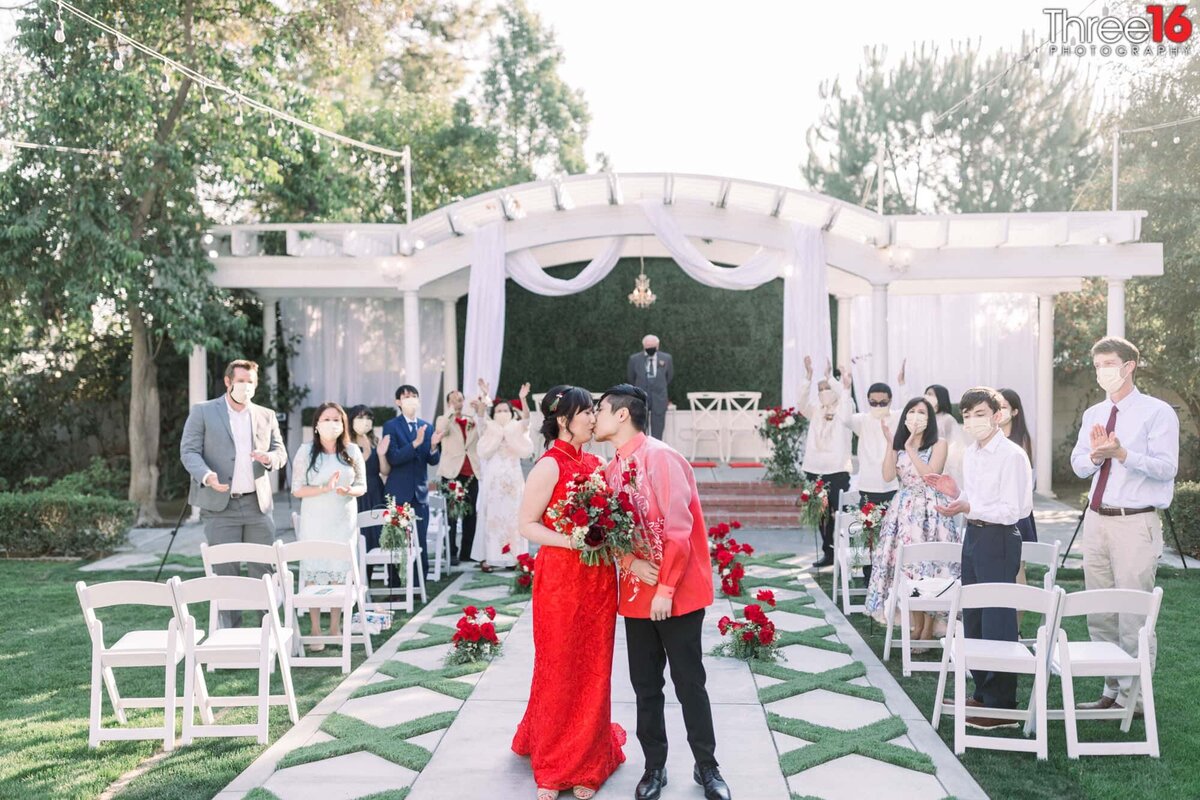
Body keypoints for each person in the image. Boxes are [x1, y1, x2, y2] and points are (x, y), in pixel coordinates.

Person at [595, 384, 730, 800]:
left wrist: (666, 589)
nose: (593, 417)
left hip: (678, 592)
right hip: (637, 596)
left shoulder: (661, 457)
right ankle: (654, 767)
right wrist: (628, 562)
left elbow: (679, 529)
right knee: (645, 686)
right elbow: (608, 531)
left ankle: (707, 767)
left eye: (599, 409)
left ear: (622, 415)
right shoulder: (611, 468)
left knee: (690, 682)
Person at [512, 386, 626, 800]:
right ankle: (556, 763)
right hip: (561, 578)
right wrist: (573, 540)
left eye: (596, 412)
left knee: (594, 666)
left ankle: (589, 759)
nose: (594, 419)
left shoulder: (598, 463)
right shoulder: (548, 465)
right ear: (564, 420)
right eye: (587, 413)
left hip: (598, 581)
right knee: (559, 665)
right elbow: (527, 525)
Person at [1070, 336, 1178, 713]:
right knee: (1099, 612)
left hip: (1135, 523)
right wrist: (1099, 456)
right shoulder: (1094, 414)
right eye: (1098, 365)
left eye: (1110, 364)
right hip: (1097, 521)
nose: (1103, 372)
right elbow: (1079, 463)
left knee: (1133, 613)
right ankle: (1111, 689)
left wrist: (1124, 454)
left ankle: (1137, 698)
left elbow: (1166, 468)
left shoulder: (1157, 412)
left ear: (1130, 365)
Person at [926, 387, 1032, 729]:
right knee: (973, 616)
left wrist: (971, 505)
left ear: (998, 415)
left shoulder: (1013, 455)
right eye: (967, 415)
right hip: (973, 535)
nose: (972, 421)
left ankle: (1002, 706)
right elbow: (975, 498)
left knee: (997, 620)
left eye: (979, 414)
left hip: (1000, 538)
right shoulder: (971, 453)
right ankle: (983, 693)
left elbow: (1014, 509)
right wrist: (956, 493)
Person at [180, 359, 288, 627]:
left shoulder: (266, 415)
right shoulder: (203, 411)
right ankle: (230, 636)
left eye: (250, 382)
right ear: (228, 382)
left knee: (263, 569)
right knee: (226, 572)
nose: (246, 386)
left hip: (257, 506)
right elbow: (189, 451)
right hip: (220, 507)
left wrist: (268, 459)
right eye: (241, 381)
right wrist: (206, 475)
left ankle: (269, 631)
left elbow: (280, 453)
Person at [863, 397, 958, 643]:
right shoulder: (899, 445)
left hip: (931, 511)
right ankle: (916, 625)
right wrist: (890, 445)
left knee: (931, 566)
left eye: (922, 412)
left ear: (930, 419)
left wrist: (912, 450)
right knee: (908, 569)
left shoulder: (939, 443)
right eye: (912, 411)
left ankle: (929, 628)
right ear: (905, 416)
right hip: (903, 512)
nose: (916, 416)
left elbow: (930, 475)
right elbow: (886, 476)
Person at [291, 403, 367, 647]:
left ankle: (335, 626)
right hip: (315, 520)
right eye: (327, 418)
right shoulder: (305, 452)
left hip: (343, 521)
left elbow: (362, 486)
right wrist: (324, 488)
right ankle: (315, 629)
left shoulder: (353, 451)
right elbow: (297, 489)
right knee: (314, 574)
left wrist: (349, 490)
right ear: (317, 423)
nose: (332, 423)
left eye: (337, 419)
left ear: (343, 424)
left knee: (338, 575)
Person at [382, 385, 443, 580]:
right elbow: (393, 458)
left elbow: (432, 460)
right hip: (398, 492)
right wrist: (415, 443)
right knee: (397, 539)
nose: (410, 399)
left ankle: (419, 582)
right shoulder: (391, 426)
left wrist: (433, 446)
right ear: (398, 402)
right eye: (406, 396)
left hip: (420, 493)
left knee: (420, 539)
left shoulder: (427, 426)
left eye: (414, 396)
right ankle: (395, 583)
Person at [471, 380, 533, 571]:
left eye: (506, 410)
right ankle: (491, 557)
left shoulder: (516, 428)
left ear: (511, 412)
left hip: (514, 480)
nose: (502, 413)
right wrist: (484, 396)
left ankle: (514, 557)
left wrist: (523, 399)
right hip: (493, 481)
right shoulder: (489, 428)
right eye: (498, 411)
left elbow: (526, 420)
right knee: (493, 516)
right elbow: (480, 418)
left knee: (514, 516)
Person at [798, 356, 853, 568]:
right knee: (821, 513)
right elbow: (801, 402)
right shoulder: (815, 410)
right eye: (819, 389)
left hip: (838, 469)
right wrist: (808, 378)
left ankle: (851, 556)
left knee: (844, 512)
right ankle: (827, 551)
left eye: (826, 388)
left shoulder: (845, 407)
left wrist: (832, 378)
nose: (823, 392)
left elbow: (844, 399)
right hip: (815, 470)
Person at [844, 359, 907, 508]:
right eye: (873, 402)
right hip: (867, 485)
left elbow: (909, 411)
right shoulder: (862, 420)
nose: (878, 406)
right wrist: (846, 390)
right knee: (868, 530)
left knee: (892, 529)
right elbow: (845, 419)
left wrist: (902, 385)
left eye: (883, 402)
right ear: (868, 401)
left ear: (890, 401)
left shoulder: (897, 417)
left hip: (891, 485)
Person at [997, 389, 1038, 609]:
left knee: (1017, 567)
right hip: (992, 512)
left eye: (1004, 407)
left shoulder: (1020, 441)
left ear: (1014, 411)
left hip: (1016, 513)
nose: (999, 412)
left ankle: (1017, 625)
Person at [435, 388, 481, 567]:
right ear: (448, 403)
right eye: (453, 400)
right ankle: (451, 551)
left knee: (470, 514)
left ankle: (467, 552)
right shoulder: (444, 419)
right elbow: (440, 430)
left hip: (471, 473)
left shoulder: (472, 421)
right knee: (452, 515)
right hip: (452, 473)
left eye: (460, 399)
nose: (458, 402)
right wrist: (450, 410)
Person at [348, 405, 392, 584]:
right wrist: (365, 452)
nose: (364, 421)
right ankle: (357, 580)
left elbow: (385, 470)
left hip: (375, 489)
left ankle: (369, 577)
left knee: (376, 533)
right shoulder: (346, 443)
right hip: (357, 492)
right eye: (360, 417)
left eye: (368, 418)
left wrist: (380, 454)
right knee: (360, 534)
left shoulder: (375, 440)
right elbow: (351, 471)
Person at [627, 335, 674, 440]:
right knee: (640, 427)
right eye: (648, 346)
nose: (650, 348)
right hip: (641, 398)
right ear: (643, 346)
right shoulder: (634, 359)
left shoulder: (666, 358)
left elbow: (669, 377)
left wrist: (658, 386)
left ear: (657, 346)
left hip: (659, 398)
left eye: (652, 345)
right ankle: (641, 452)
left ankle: (656, 453)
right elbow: (631, 378)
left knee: (658, 428)